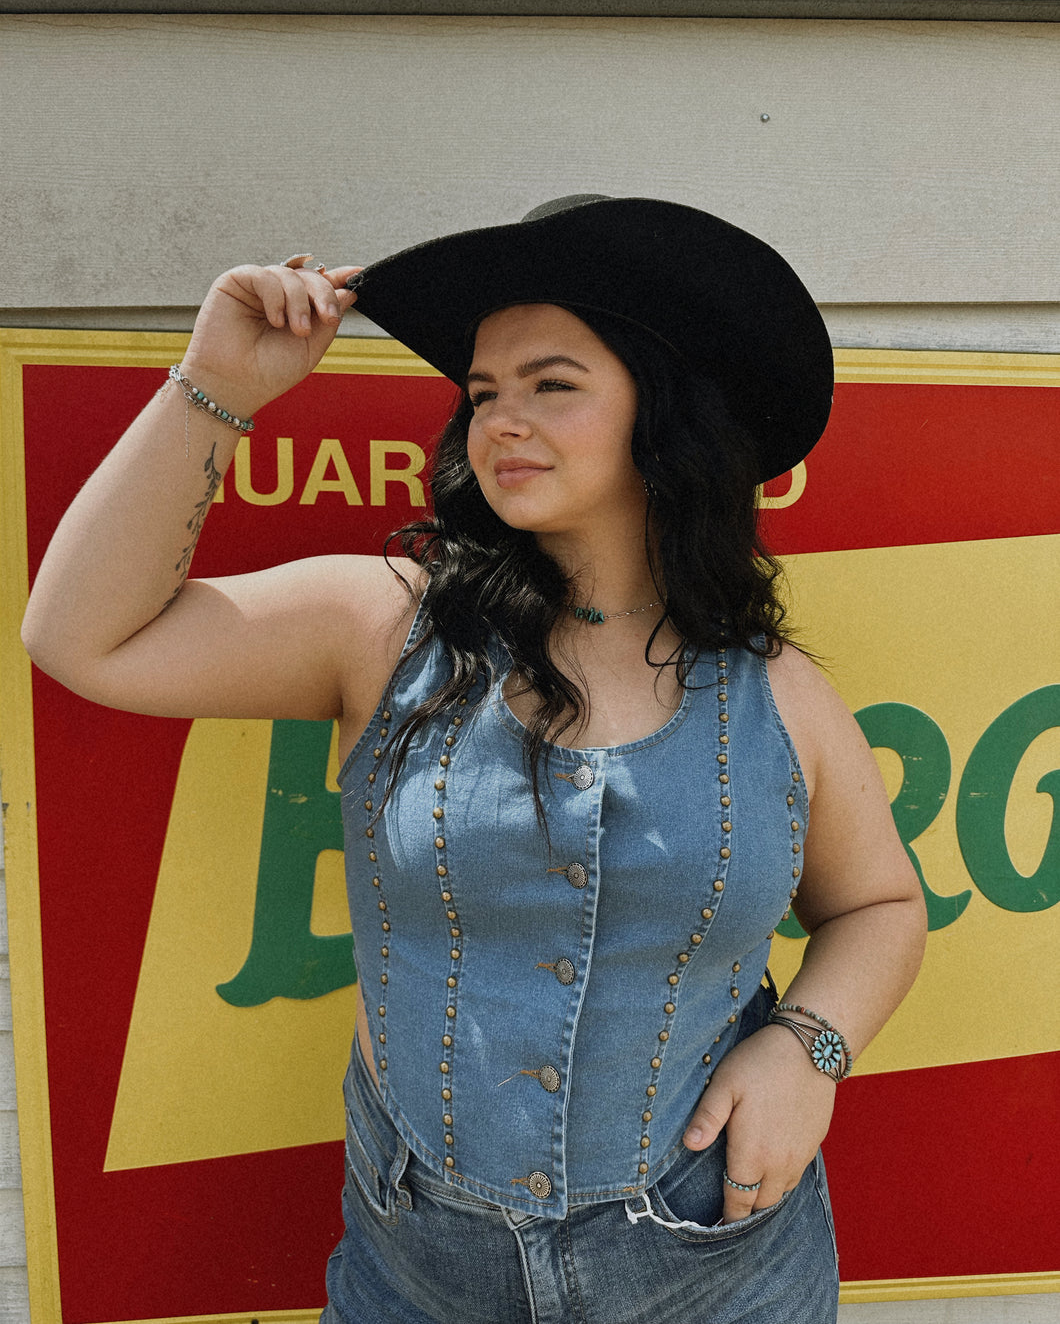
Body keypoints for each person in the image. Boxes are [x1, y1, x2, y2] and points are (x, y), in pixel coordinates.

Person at [22, 195, 926, 1324]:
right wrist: (219, 388)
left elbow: (881, 905)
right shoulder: (382, 626)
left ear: (666, 412)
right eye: (483, 393)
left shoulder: (778, 691)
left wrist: (807, 1052)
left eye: (551, 384)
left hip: (717, 1265)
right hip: (419, 1270)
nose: (501, 420)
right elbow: (78, 639)